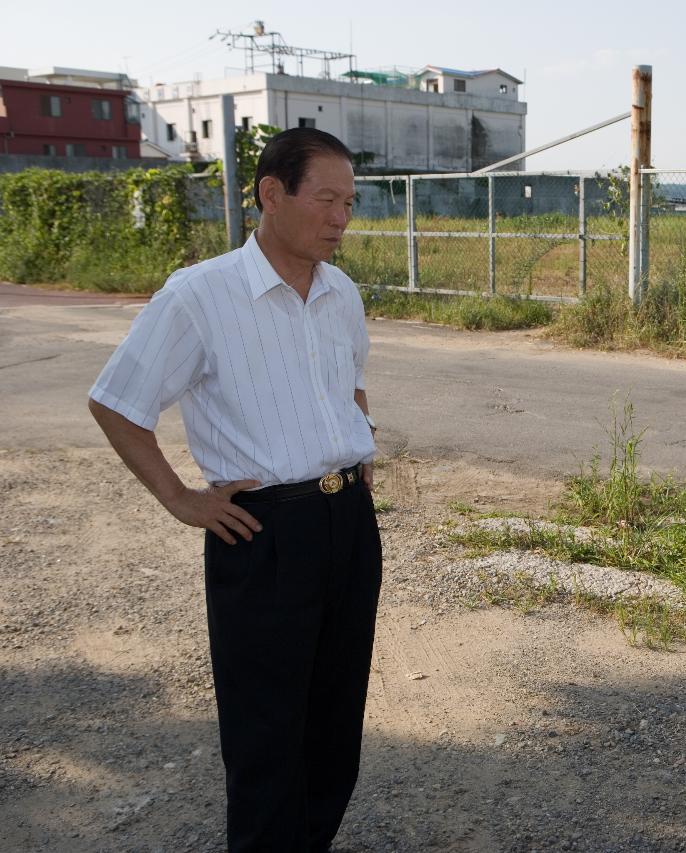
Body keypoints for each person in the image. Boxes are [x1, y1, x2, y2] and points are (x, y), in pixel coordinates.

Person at [88, 127, 381, 851]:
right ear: (271, 194)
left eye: (349, 201)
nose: (341, 216)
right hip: (265, 535)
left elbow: (350, 386)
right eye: (326, 199)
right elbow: (117, 401)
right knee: (266, 738)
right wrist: (181, 498)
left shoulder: (341, 292)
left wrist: (354, 448)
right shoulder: (200, 295)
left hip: (349, 524)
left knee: (333, 728)